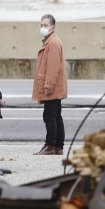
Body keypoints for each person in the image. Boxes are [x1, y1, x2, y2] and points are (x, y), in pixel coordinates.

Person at [33, 14, 67, 155]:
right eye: (41, 25)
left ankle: (51, 145)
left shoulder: (53, 43)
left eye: (46, 25)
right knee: (56, 115)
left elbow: (53, 67)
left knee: (50, 116)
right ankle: (58, 146)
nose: (43, 27)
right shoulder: (52, 41)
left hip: (52, 87)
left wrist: (48, 86)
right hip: (55, 86)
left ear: (53, 27)